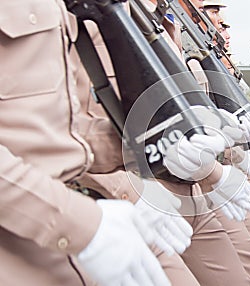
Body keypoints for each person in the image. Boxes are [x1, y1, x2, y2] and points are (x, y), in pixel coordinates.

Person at [0, 1, 170, 285]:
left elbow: (54, 132)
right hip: (34, 234)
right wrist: (83, 223)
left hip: (74, 226)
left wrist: (150, 143)